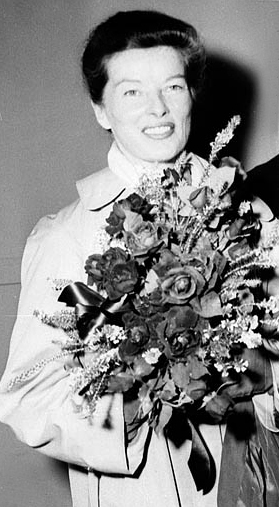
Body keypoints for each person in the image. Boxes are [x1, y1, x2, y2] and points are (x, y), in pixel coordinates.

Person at [0, 10, 278, 507]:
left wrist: (256, 372)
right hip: (146, 486)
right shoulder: (66, 235)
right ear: (101, 109)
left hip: (257, 467)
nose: (159, 110)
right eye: (132, 92)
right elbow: (28, 398)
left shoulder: (247, 213)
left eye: (173, 87)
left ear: (192, 94)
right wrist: (144, 397)